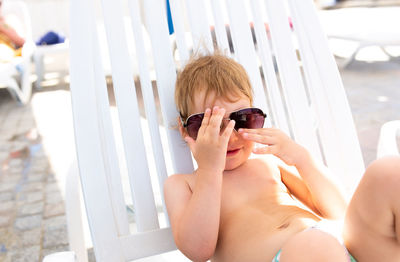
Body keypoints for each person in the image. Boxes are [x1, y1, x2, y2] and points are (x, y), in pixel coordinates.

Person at [164, 53, 400, 262]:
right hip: (299, 253)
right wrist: (209, 171)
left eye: (242, 119)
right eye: (212, 126)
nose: (230, 136)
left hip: (339, 248)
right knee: (315, 244)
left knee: (389, 172)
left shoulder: (269, 162)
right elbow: (197, 251)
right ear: (185, 130)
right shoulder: (184, 185)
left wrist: (301, 158)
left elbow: (338, 211)